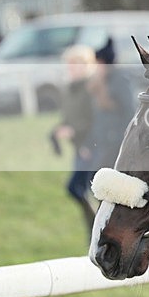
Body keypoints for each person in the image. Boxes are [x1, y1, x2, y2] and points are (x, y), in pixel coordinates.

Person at [51, 45, 96, 232]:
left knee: (81, 188)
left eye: (75, 63)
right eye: (69, 64)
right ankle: (94, 230)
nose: (71, 67)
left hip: (92, 148)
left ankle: (98, 229)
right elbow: (67, 118)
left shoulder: (92, 88)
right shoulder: (69, 90)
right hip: (79, 149)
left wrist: (78, 135)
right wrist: (56, 132)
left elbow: (96, 120)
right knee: (78, 189)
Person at [84, 37, 136, 174]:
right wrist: (89, 142)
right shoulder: (99, 81)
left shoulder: (120, 80)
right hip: (102, 139)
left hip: (116, 140)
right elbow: (96, 117)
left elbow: (129, 110)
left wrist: (122, 136)